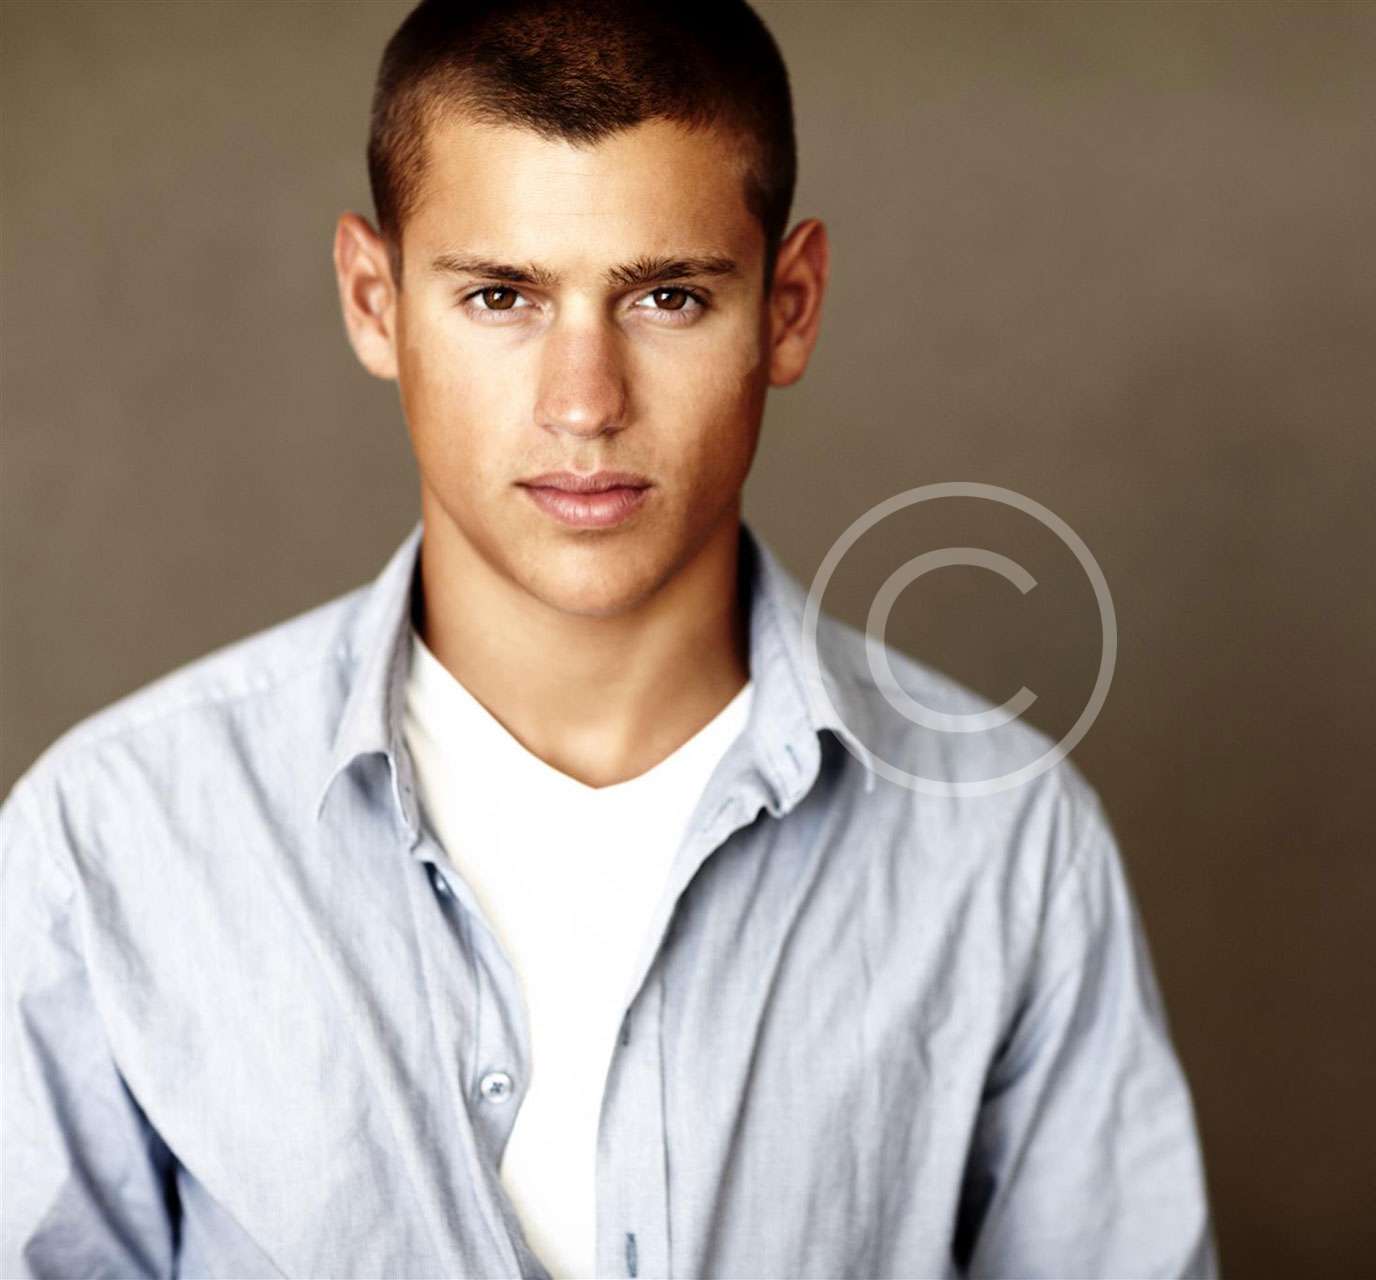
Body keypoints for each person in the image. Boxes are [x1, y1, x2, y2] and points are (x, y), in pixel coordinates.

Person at [0, 1, 1216, 1276]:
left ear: (789, 306)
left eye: (669, 297)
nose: (584, 403)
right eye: (500, 295)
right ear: (374, 299)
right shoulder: (111, 843)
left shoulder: (1007, 841)